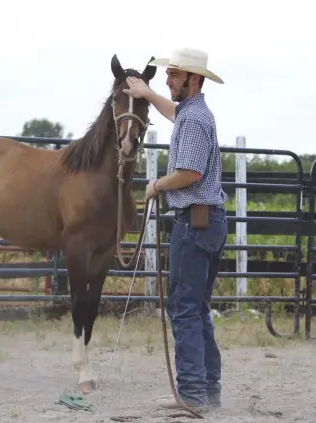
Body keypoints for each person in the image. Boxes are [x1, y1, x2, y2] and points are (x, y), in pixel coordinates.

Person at [123, 47, 228, 410]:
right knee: (196, 307)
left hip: (195, 223)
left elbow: (191, 173)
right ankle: (206, 390)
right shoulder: (192, 113)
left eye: (173, 75)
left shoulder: (195, 120)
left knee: (183, 308)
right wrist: (148, 95)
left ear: (194, 79)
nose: (167, 80)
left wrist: (157, 185)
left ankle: (192, 395)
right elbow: (176, 114)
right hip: (207, 221)